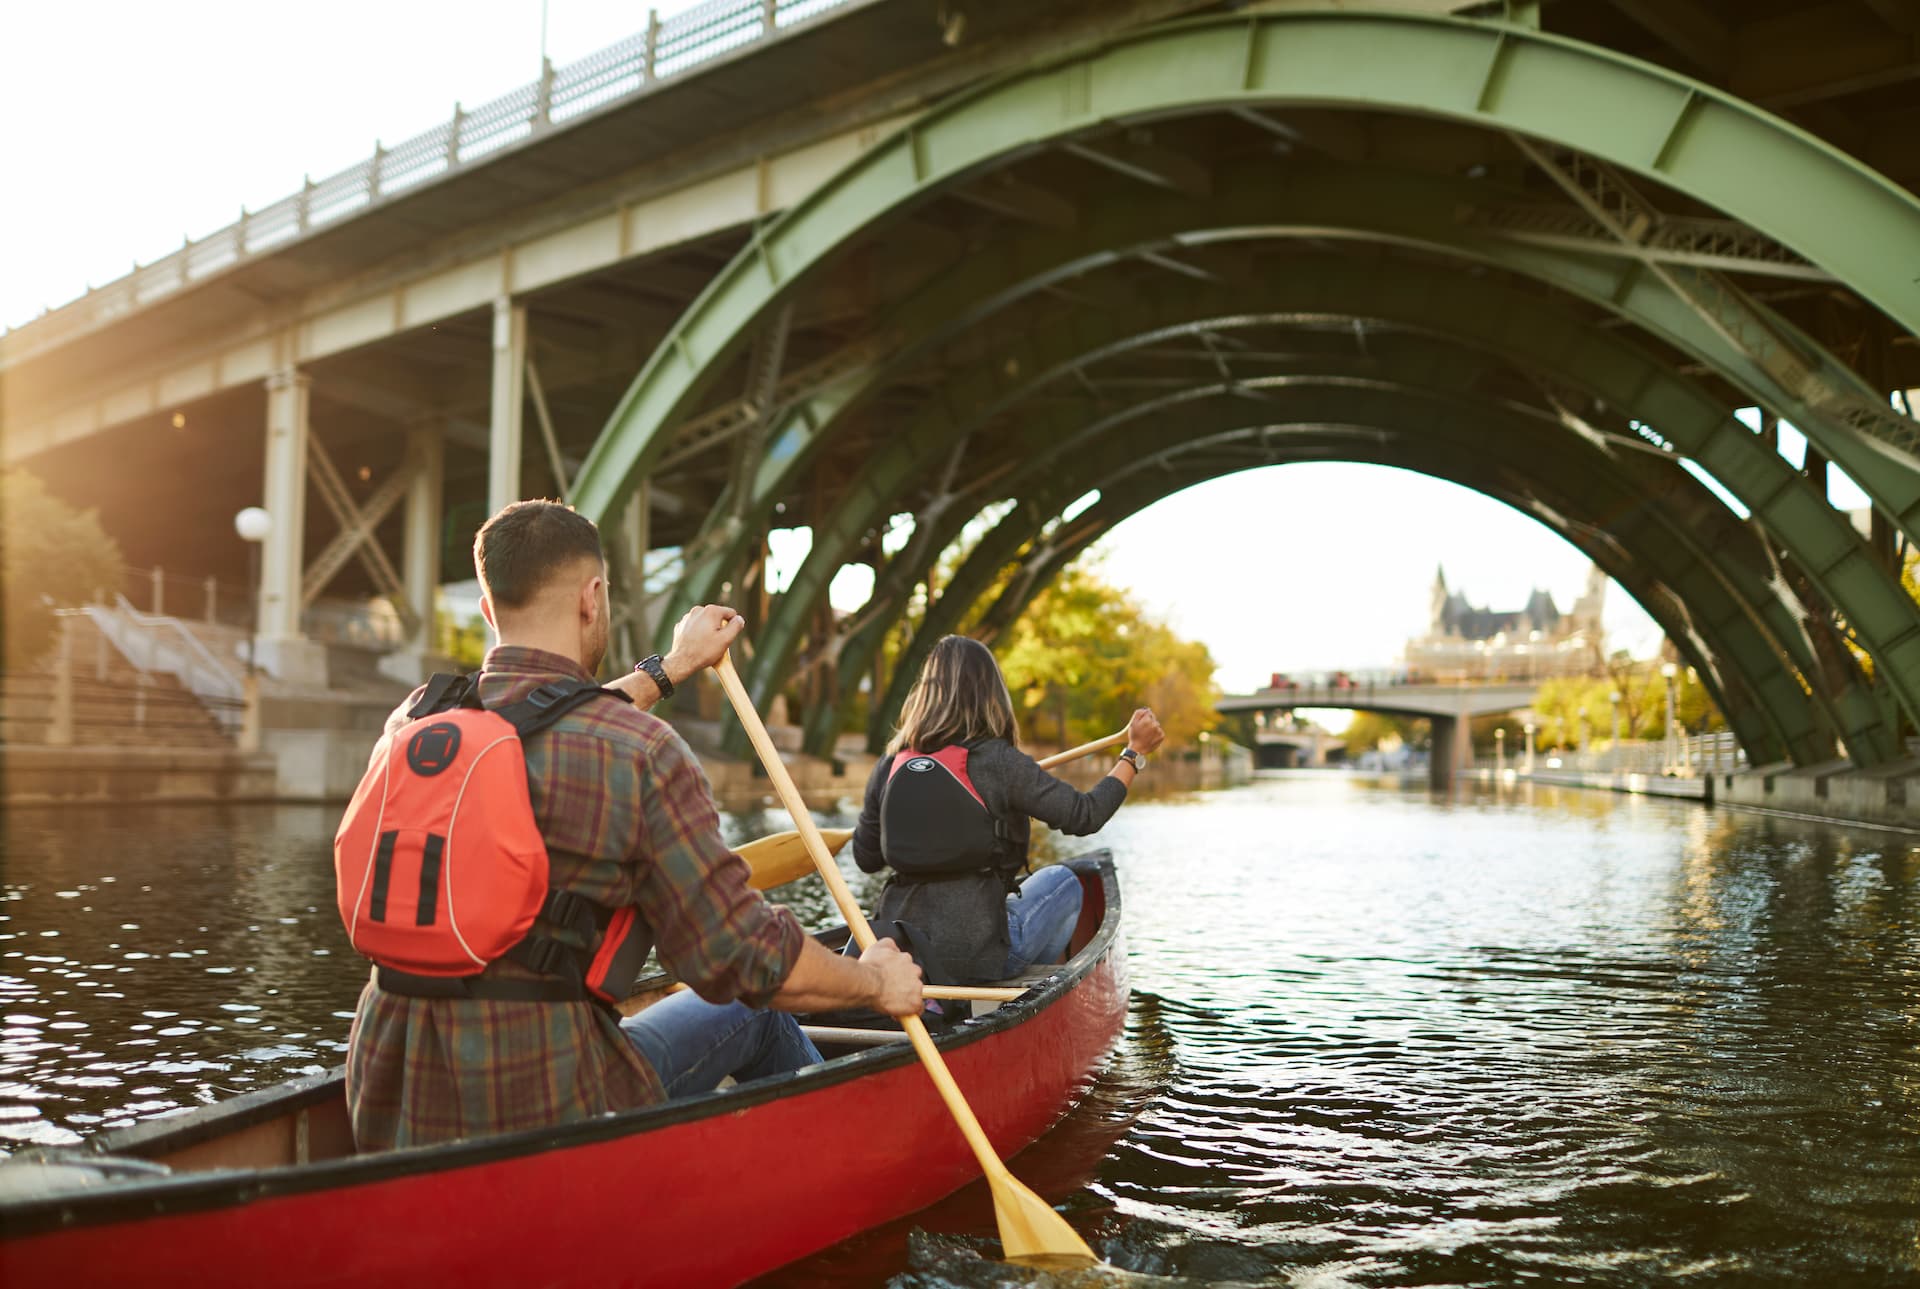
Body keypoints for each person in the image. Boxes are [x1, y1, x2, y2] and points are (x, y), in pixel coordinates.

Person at [345, 500, 922, 1151]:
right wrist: (877, 979)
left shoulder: (415, 725)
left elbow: (542, 715)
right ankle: (858, 1154)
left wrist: (672, 665)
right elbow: (741, 956)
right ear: (592, 599)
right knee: (748, 1006)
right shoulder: (640, 751)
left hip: (387, 1086)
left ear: (488, 610)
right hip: (546, 1099)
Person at [851, 634, 1164, 988]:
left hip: (901, 952)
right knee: (1064, 880)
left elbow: (866, 858)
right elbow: (1085, 815)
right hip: (977, 953)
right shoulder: (1000, 762)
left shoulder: (891, 765)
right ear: (990, 694)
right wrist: (1133, 755)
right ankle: (1017, 994)